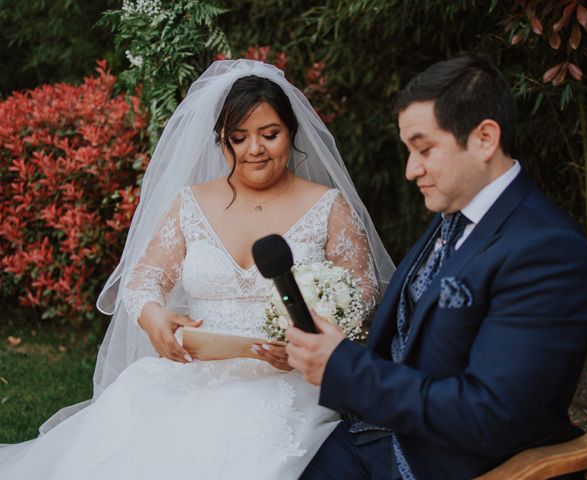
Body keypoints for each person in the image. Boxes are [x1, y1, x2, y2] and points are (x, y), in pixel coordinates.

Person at [0, 59, 395, 479]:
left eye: (269, 135)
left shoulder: (328, 206)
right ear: (221, 141)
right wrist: (155, 319)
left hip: (288, 382)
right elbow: (143, 279)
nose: (254, 150)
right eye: (238, 138)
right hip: (191, 373)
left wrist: (307, 344)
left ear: (291, 133)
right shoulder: (190, 204)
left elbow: (361, 296)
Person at [287, 52, 587, 479]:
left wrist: (344, 367)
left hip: (444, 463)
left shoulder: (548, 252)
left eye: (424, 149)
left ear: (485, 139)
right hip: (377, 431)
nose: (410, 170)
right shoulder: (457, 213)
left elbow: (486, 416)